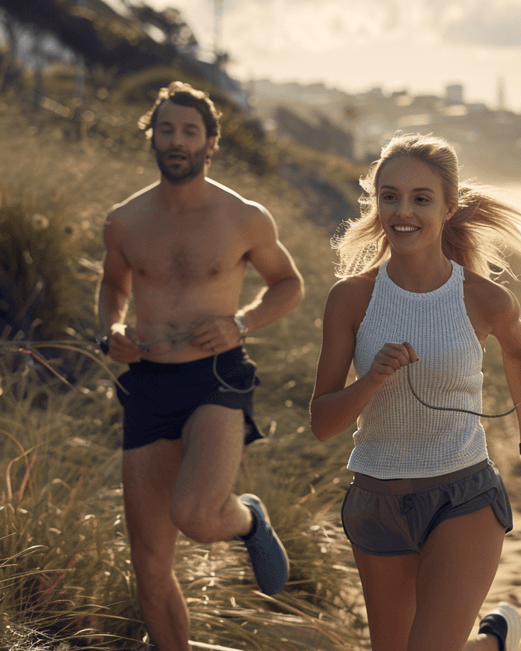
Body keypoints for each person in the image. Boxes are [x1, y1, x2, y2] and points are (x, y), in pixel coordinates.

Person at [309, 133, 521, 651]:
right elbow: (323, 422)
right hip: (376, 501)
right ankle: (493, 643)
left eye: (421, 198)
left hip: (462, 497)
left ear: (447, 208)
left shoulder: (482, 298)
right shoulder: (351, 299)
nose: (404, 211)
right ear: (376, 204)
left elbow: (520, 354)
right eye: (390, 196)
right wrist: (372, 379)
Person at [97, 81, 304, 651]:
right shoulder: (125, 220)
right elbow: (113, 287)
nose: (177, 140)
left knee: (195, 512)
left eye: (190, 131)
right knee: (149, 566)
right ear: (153, 136)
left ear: (211, 142)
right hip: (149, 384)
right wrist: (111, 329)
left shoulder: (243, 217)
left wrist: (242, 323)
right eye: (166, 129)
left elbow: (289, 285)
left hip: (216, 376)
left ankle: (249, 521)